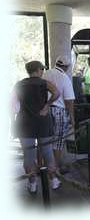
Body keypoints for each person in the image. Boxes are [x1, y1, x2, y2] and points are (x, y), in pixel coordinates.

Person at [13, 61, 61, 193]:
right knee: (47, 153)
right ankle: (54, 181)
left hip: (25, 123)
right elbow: (56, 93)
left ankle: (32, 184)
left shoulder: (19, 84)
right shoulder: (44, 82)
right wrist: (47, 105)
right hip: (43, 122)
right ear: (39, 70)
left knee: (28, 156)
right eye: (42, 69)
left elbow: (12, 104)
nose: (43, 72)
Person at [43, 55, 75, 173]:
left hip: (44, 111)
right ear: (66, 66)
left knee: (44, 141)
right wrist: (72, 119)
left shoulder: (45, 74)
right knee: (58, 142)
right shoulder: (64, 77)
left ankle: (41, 168)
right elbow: (69, 100)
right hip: (59, 111)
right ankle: (54, 170)